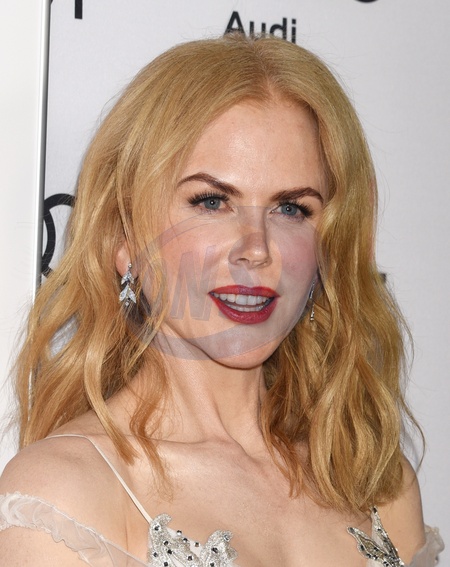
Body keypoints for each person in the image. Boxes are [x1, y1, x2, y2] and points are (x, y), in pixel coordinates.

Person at [0, 34, 444, 566]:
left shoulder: (374, 480)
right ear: (124, 237)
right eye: (212, 201)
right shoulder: (66, 495)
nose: (256, 249)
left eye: (291, 208)